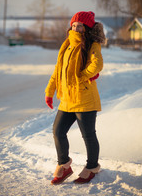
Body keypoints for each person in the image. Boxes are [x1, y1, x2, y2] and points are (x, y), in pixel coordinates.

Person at [45, 11, 105, 184]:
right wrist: (50, 91)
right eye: (74, 25)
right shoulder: (67, 45)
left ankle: (92, 167)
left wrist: (82, 76)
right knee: (58, 131)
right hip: (67, 99)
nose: (76, 28)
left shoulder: (92, 44)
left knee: (88, 135)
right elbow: (58, 70)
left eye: (80, 25)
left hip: (85, 99)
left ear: (86, 28)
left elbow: (97, 64)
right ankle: (64, 165)